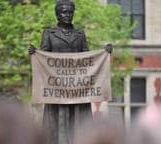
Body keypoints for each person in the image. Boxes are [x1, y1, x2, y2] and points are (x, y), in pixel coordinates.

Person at [29, 1, 112, 144]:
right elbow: (44, 58)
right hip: (57, 88)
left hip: (77, 89)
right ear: (57, 15)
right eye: (64, 12)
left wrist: (104, 52)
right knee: (57, 121)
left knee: (78, 121)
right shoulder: (49, 33)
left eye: (70, 12)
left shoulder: (80, 34)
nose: (67, 15)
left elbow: (88, 60)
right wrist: (35, 53)